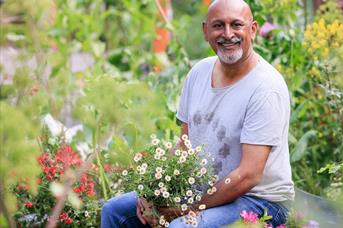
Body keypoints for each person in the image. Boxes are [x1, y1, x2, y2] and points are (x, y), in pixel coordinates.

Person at [101, 0, 294, 227]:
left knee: (181, 226)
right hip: (203, 190)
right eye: (218, 26)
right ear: (205, 31)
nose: (228, 33)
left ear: (253, 30)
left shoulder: (265, 87)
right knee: (114, 211)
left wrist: (185, 210)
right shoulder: (199, 73)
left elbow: (249, 175)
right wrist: (150, 190)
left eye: (237, 25)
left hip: (258, 200)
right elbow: (185, 146)